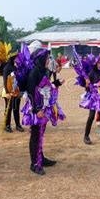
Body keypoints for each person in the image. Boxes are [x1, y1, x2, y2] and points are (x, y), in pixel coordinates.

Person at [19, 46, 65, 175]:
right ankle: (34, 163)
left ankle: (41, 158)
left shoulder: (43, 71)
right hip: (36, 108)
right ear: (39, 59)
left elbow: (46, 86)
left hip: (43, 106)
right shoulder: (34, 72)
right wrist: (36, 109)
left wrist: (57, 83)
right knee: (35, 135)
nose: (48, 60)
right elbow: (31, 91)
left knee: (40, 134)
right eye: (46, 58)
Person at [2, 54, 23, 133]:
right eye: (16, 58)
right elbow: (5, 80)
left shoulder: (16, 67)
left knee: (16, 108)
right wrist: (7, 92)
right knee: (8, 108)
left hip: (16, 91)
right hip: (8, 92)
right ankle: (7, 125)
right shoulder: (7, 68)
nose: (17, 59)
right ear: (12, 58)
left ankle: (18, 124)